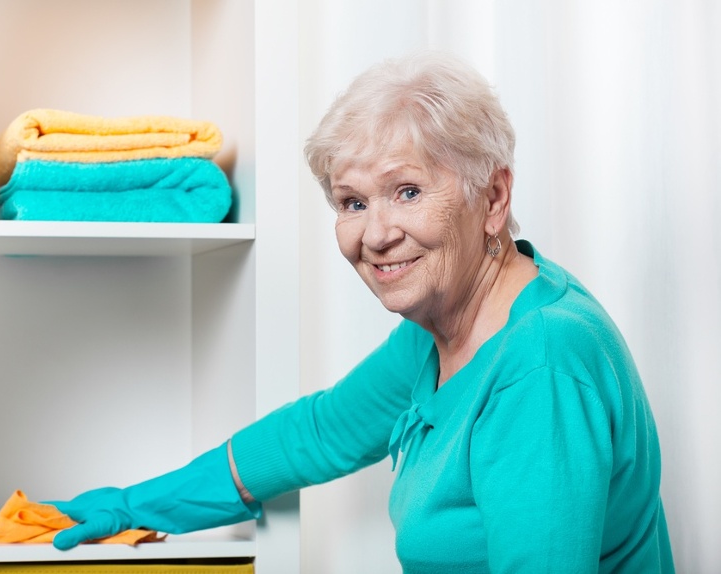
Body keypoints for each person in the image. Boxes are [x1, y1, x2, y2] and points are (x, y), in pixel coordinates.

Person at [45, 51, 674, 572]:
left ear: (494, 197)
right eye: (351, 202)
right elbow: (320, 433)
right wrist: (138, 506)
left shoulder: (540, 363)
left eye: (407, 192)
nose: (375, 235)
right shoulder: (445, 321)